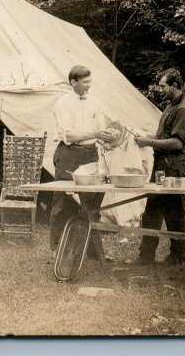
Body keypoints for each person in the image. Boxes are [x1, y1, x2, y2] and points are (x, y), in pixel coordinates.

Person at [51, 65, 117, 261]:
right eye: (86, 82)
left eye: (90, 81)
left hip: (90, 156)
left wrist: (109, 139)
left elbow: (100, 131)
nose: (90, 85)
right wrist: (96, 134)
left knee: (92, 203)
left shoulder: (95, 103)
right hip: (69, 155)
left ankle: (92, 251)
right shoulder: (62, 104)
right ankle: (56, 250)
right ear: (73, 82)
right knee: (62, 203)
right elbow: (69, 135)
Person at [132, 68, 185, 265]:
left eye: (163, 86)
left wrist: (148, 143)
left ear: (175, 86)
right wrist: (145, 137)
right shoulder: (170, 106)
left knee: (175, 211)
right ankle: (146, 255)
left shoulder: (183, 110)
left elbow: (177, 143)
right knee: (152, 210)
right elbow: (164, 138)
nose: (160, 89)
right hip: (161, 164)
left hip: (174, 167)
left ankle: (178, 256)